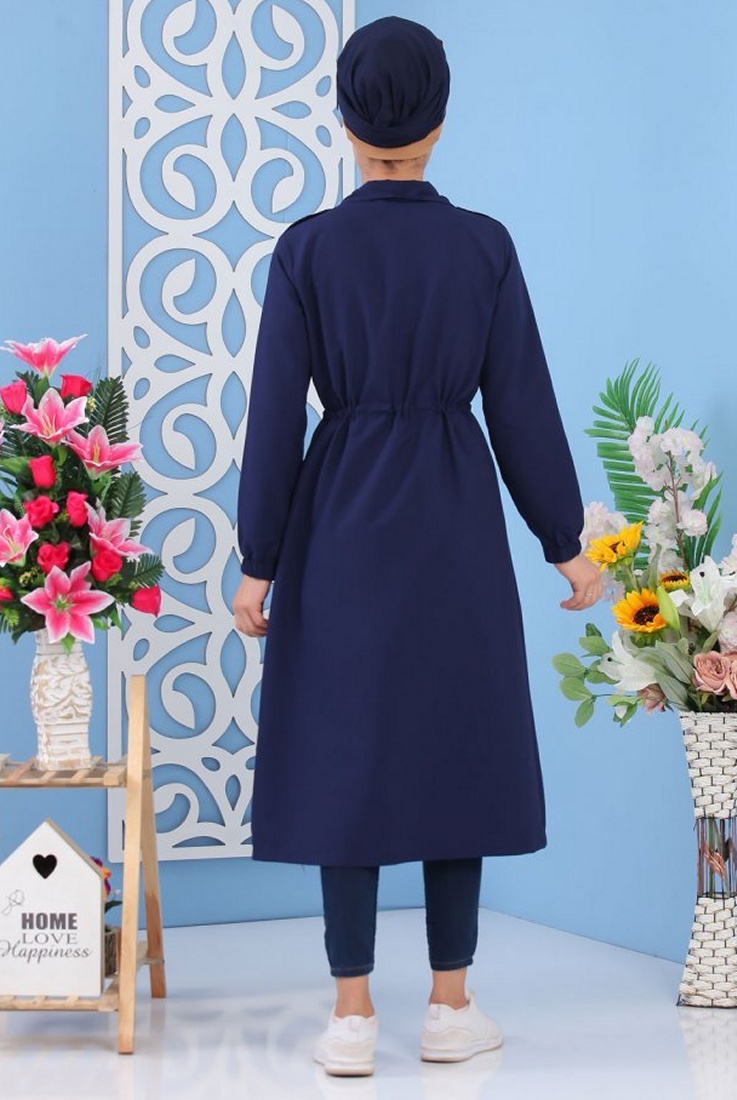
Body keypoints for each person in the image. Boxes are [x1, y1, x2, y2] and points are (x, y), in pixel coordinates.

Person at [233, 15, 603, 1079]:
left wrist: (259, 558)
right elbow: (521, 406)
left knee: (343, 743)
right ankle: (449, 1003)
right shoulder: (483, 245)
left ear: (345, 124)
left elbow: (274, 417)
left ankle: (350, 1013)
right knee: (456, 739)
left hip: (337, 519)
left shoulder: (306, 249)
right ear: (438, 123)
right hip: (452, 515)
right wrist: (565, 544)